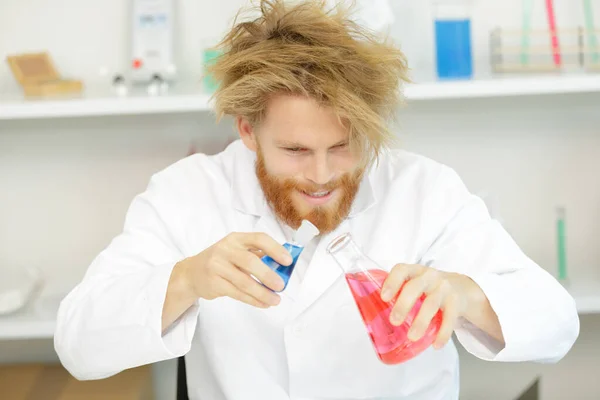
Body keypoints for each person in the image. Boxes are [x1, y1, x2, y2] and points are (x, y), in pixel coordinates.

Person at [54, 1, 579, 399]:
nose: (322, 175)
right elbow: (77, 344)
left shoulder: (425, 191)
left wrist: (464, 295)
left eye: (343, 146)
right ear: (247, 131)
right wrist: (188, 279)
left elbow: (557, 323)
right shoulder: (187, 194)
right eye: (296, 150)